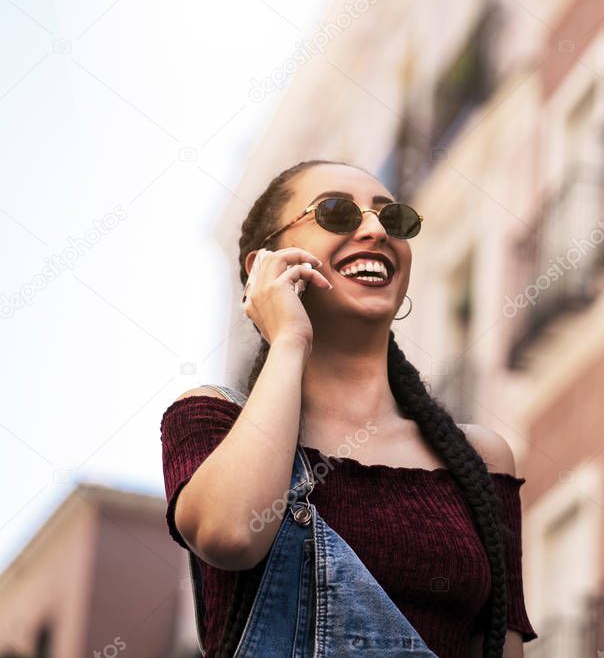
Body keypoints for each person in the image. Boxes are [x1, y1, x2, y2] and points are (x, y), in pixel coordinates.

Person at [160, 160, 536, 656]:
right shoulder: (210, 419)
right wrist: (290, 339)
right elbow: (230, 534)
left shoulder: (480, 460)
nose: (376, 230)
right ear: (264, 265)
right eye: (337, 212)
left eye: (394, 219)